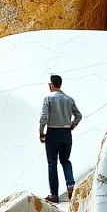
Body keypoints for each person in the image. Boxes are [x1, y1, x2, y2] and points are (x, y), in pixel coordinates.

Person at [39, 73, 81, 203]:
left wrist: (41, 132)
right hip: (66, 134)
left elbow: (44, 117)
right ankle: (70, 184)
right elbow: (78, 115)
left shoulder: (48, 99)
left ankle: (54, 194)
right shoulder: (69, 99)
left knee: (52, 163)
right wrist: (72, 125)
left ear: (51, 84)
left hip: (52, 133)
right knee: (65, 161)